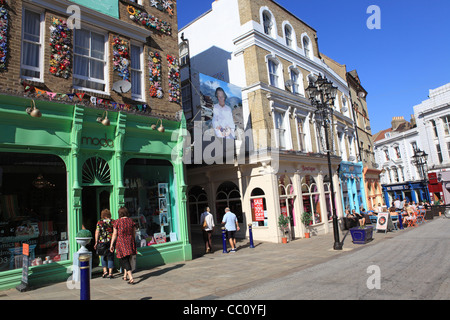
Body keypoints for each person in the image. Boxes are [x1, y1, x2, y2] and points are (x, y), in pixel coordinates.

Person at [110, 207, 137, 284]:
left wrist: (111, 244)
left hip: (121, 242)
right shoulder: (130, 221)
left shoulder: (117, 222)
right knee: (127, 258)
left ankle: (131, 277)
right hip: (130, 241)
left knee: (124, 259)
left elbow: (115, 234)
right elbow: (134, 232)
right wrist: (133, 239)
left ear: (120, 213)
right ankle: (125, 275)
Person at [94, 209, 115, 279]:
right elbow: (115, 232)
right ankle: (110, 272)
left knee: (102, 256)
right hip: (110, 241)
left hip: (102, 241)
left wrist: (96, 242)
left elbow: (97, 232)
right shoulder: (112, 222)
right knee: (110, 256)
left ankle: (105, 271)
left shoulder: (99, 222)